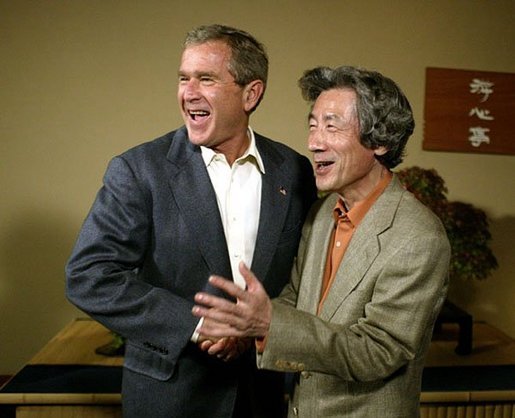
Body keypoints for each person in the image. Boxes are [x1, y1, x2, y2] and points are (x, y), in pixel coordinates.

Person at [65, 24, 317, 418]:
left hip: (260, 396)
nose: (189, 93)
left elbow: (302, 279)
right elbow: (89, 275)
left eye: (207, 79)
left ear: (251, 93)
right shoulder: (139, 170)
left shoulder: (294, 172)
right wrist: (197, 326)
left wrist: (256, 330)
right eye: (184, 78)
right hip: (168, 398)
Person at [192, 65, 451, 418]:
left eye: (332, 125)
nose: (314, 142)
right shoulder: (321, 212)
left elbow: (377, 351)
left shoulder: (418, 237)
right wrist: (244, 330)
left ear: (381, 141)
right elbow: (295, 300)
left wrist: (269, 324)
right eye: (313, 125)